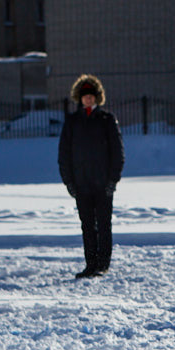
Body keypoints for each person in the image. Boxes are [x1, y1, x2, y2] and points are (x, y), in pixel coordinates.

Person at [58, 74, 125, 278]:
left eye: (91, 96)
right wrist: (69, 181)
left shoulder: (107, 120)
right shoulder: (72, 122)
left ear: (97, 97)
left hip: (103, 184)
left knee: (104, 224)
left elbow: (118, 153)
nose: (88, 99)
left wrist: (113, 180)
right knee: (87, 225)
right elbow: (64, 154)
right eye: (85, 96)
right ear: (79, 97)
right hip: (82, 184)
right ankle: (90, 264)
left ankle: (102, 264)